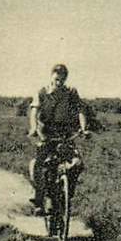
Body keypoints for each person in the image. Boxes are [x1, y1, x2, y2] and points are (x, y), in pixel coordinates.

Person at [28, 63, 89, 214]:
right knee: (40, 163)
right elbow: (34, 112)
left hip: (65, 134)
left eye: (62, 80)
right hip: (46, 133)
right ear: (51, 77)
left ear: (65, 79)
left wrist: (83, 127)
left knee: (77, 163)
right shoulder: (42, 92)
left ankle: (67, 194)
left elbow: (80, 110)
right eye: (56, 79)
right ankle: (39, 199)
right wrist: (34, 128)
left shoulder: (70, 92)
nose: (59, 82)